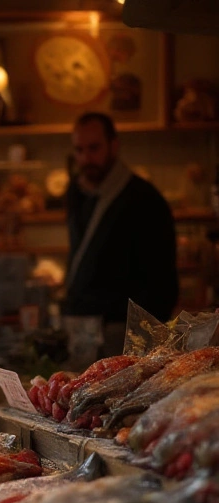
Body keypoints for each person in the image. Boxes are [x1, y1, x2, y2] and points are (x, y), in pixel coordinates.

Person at [65, 112, 178, 352]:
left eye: (94, 148)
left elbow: (162, 287)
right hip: (82, 327)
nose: (86, 158)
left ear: (113, 146)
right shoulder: (77, 193)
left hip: (121, 333)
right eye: (79, 150)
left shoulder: (145, 200)